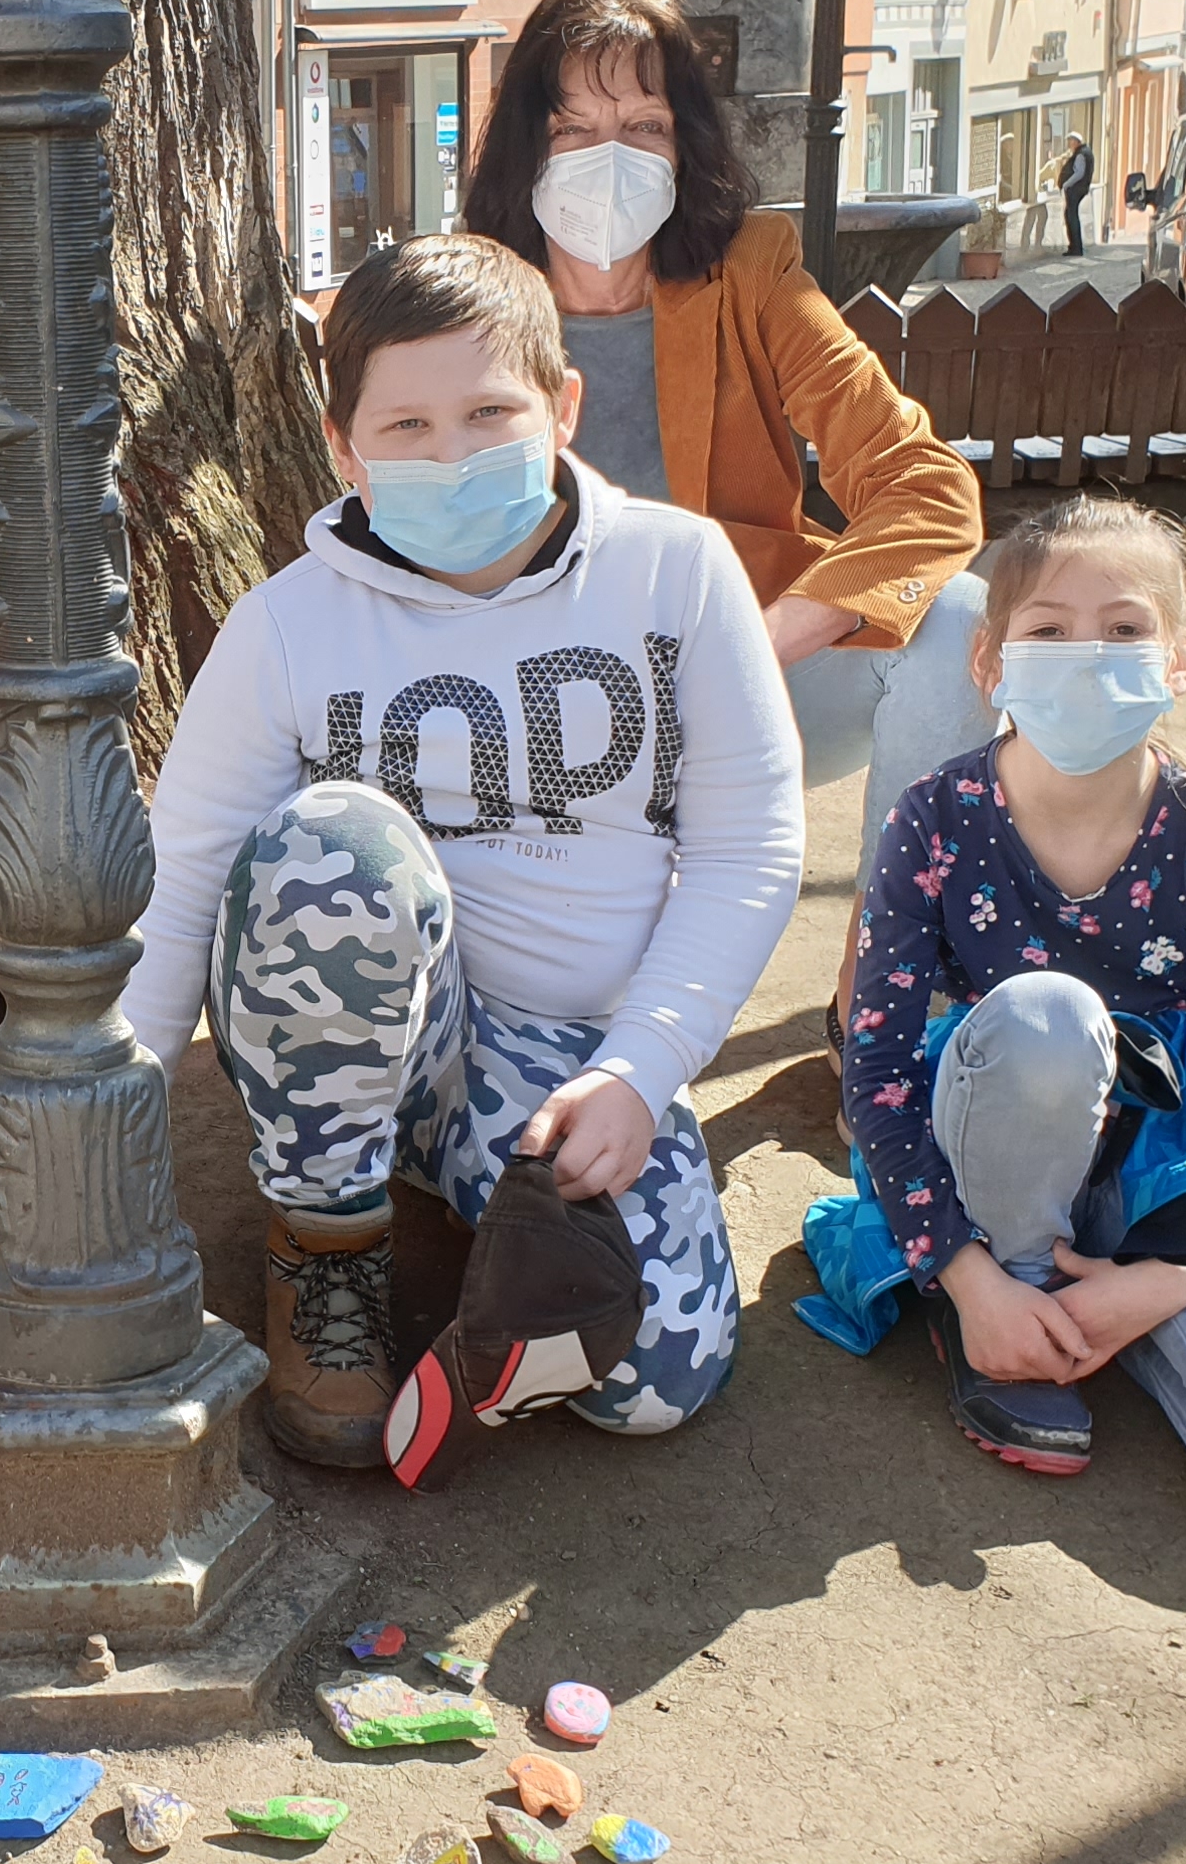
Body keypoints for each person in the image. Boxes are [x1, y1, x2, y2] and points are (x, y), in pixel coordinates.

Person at [122, 234, 804, 1483]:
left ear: (563, 406)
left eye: (491, 413)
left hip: (576, 1058)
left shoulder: (679, 571)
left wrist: (642, 1070)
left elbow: (748, 848)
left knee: (652, 1379)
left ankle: (472, 1181)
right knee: (329, 843)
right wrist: (108, 1117)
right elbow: (186, 878)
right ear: (344, 448)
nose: (451, 454)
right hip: (366, 1034)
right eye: (408, 426)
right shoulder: (285, 625)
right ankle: (326, 1240)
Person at [818, 498, 1186, 1523]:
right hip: (997, 1145)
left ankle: (1090, 1320)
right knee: (1050, 1018)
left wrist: (1164, 1283)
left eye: (1124, 630)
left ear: (1180, 661)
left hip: (1162, 1166)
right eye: (1049, 630)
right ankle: (1000, 1307)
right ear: (990, 662)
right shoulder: (934, 819)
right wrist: (972, 1277)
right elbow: (878, 1075)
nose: (1087, 657)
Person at [462, 0, 987, 929]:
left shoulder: (750, 270)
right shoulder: (467, 297)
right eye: (573, 128)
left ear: (685, 145)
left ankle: (891, 959)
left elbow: (926, 486)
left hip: (745, 677)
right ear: (527, 145)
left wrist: (760, 641)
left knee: (958, 621)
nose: (609, 158)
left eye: (645, 127)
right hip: (536, 701)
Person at [1057, 130, 1095, 257]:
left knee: (1071, 216)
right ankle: (1075, 246)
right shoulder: (1086, 152)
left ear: (1076, 142)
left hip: (1075, 189)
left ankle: (1075, 247)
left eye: (1071, 141)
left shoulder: (1080, 154)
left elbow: (1079, 173)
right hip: (1080, 189)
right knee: (1071, 215)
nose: (1069, 144)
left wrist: (1066, 184)